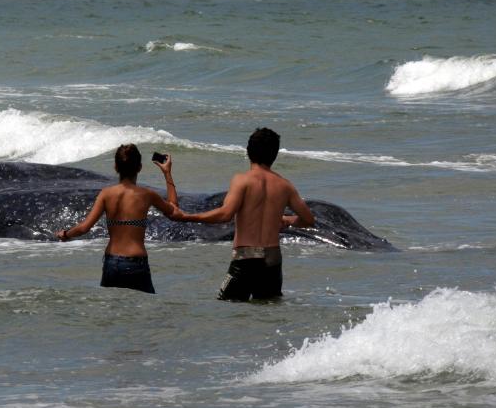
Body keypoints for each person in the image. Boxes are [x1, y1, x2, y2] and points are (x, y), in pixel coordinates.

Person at [168, 128, 315, 301]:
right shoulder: (285, 186)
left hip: (246, 257)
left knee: (226, 307)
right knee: (267, 311)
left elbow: (225, 214)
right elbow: (308, 220)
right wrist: (288, 220)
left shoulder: (242, 180)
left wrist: (186, 216)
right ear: (275, 155)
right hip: (273, 259)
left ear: (248, 151)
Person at [56, 144, 179, 294]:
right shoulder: (147, 195)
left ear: (115, 167)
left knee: (112, 314)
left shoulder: (106, 194)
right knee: (145, 314)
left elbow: (84, 228)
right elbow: (174, 211)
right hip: (136, 263)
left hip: (112, 263)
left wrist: (66, 234)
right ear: (139, 167)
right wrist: (167, 173)